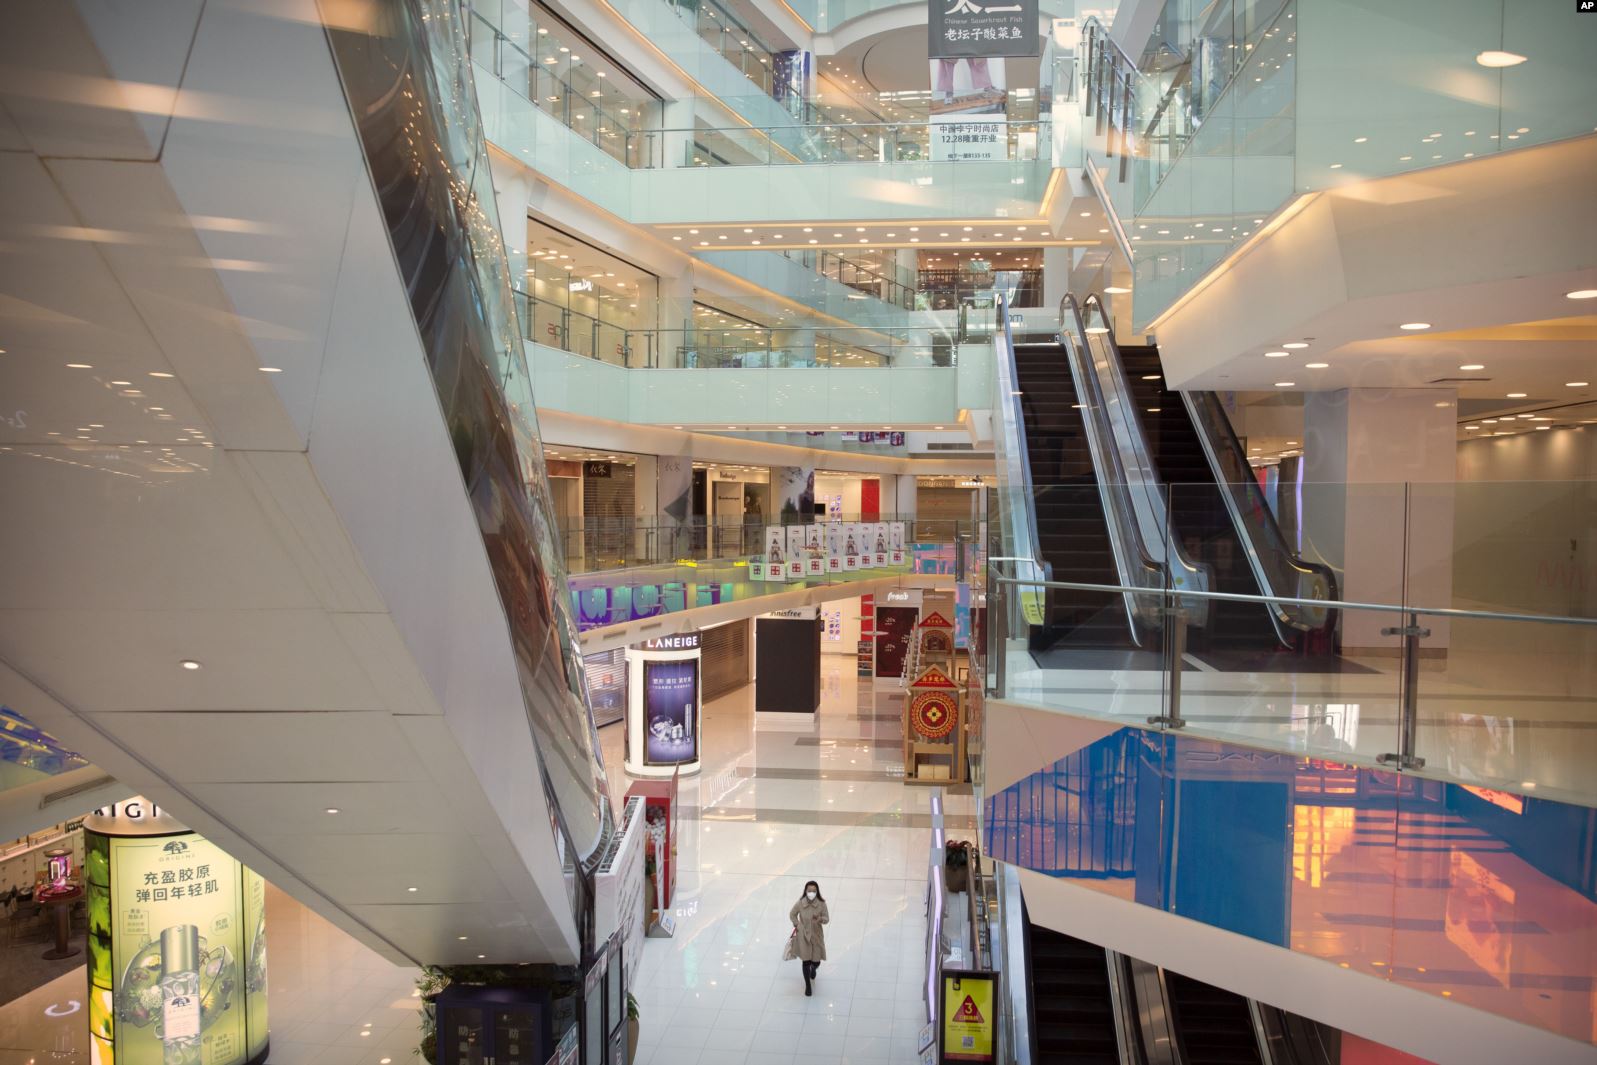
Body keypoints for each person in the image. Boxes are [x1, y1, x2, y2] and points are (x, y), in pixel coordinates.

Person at [790, 880, 830, 996]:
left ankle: (814, 969)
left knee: (816, 961)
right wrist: (797, 924)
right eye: (809, 890)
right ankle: (808, 985)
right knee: (806, 961)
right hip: (804, 936)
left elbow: (827, 918)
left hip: (817, 936)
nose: (811, 892)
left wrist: (820, 919)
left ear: (817, 891)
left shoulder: (822, 904)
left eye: (813, 891)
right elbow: (792, 914)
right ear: (805, 891)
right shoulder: (800, 904)